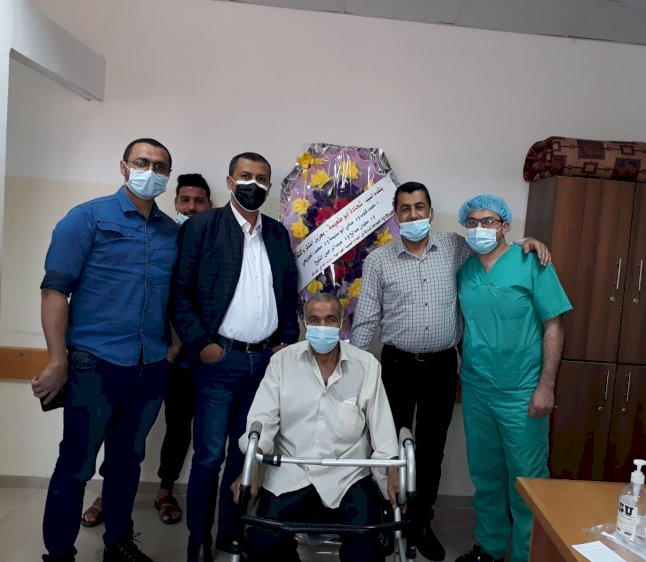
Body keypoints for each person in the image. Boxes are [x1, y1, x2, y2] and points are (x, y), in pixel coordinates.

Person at [349, 182, 549, 561]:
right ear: (396, 215)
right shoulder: (379, 261)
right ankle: (387, 518)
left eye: (419, 207)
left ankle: (419, 520)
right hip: (396, 365)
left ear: (430, 211)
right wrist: (350, 373)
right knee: (386, 446)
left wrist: (527, 241)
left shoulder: (455, 247)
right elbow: (366, 319)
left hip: (441, 366)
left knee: (431, 449)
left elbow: (496, 247)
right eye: (405, 209)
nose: (413, 215)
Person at [32, 138, 179, 562]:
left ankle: (118, 544)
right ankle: (59, 553)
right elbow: (54, 290)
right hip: (94, 362)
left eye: (160, 166)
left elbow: (174, 297)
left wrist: (172, 347)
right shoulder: (87, 218)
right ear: (123, 167)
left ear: (167, 176)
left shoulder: (171, 232)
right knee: (76, 464)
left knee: (126, 462)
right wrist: (57, 359)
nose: (151, 171)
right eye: (142, 162)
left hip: (150, 365)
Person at [170, 152, 299, 562]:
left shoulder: (276, 233)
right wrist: (202, 345)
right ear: (229, 181)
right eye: (246, 176)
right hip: (218, 362)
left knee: (246, 455)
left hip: (263, 364)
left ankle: (230, 531)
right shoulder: (203, 227)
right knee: (209, 456)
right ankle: (198, 539)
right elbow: (179, 293)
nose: (253, 184)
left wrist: (286, 342)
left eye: (262, 179)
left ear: (269, 186)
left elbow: (288, 292)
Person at [80, 173, 213, 529]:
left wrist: (180, 345)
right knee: (120, 426)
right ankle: (105, 495)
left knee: (179, 426)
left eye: (199, 201)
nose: (191, 207)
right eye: (185, 200)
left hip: (186, 358)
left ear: (209, 206)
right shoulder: (161, 238)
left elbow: (200, 305)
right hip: (142, 353)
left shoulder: (212, 248)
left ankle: (165, 490)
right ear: (176, 202)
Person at [232, 292, 400, 562]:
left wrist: (392, 471)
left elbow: (383, 430)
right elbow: (263, 419)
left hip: (348, 474)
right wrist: (251, 467)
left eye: (330, 319)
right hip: (291, 470)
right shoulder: (282, 363)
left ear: (341, 323)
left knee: (367, 549)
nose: (323, 326)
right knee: (263, 543)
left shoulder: (366, 365)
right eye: (315, 320)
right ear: (304, 322)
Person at [454, 194, 571, 562]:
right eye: (472, 222)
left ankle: (526, 555)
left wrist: (546, 385)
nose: (479, 228)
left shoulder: (531, 261)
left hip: (522, 391)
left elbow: (554, 325)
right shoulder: (465, 270)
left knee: (527, 481)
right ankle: (489, 548)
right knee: (486, 477)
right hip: (477, 389)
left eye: (488, 221)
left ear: (505, 226)